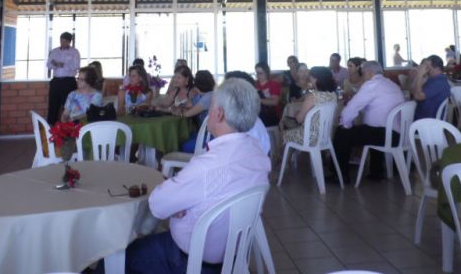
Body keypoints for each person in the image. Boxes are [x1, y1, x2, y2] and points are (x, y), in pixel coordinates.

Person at [125, 78, 271, 274]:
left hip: (190, 261)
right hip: (234, 258)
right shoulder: (259, 154)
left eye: (211, 107)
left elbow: (157, 205)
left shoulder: (207, 166)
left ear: (219, 114)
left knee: (119, 258)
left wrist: (176, 204)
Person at [332, 61, 405, 183]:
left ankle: (339, 175)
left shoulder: (371, 85)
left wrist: (345, 124)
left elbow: (352, 107)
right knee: (371, 127)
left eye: (363, 74)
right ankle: (376, 171)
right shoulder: (391, 84)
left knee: (341, 133)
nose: (362, 77)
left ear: (370, 73)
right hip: (398, 134)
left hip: (385, 135)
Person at [281, 66, 338, 146]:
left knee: (283, 131)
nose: (309, 78)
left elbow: (299, 119)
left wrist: (297, 113)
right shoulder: (333, 95)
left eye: (311, 76)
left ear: (316, 79)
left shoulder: (312, 96)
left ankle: (287, 154)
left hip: (310, 137)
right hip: (326, 136)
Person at [46, 32, 81, 124]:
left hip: (68, 81)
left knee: (69, 106)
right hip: (56, 81)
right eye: (61, 41)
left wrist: (64, 65)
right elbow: (48, 65)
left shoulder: (74, 52)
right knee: (53, 105)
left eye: (65, 41)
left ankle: (72, 128)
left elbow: (76, 66)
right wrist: (55, 64)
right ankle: (51, 127)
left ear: (69, 42)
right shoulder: (54, 51)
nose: (62, 43)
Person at [411, 55, 450, 120]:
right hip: (424, 117)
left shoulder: (438, 82)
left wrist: (419, 74)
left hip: (427, 120)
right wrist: (418, 76)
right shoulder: (433, 79)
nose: (425, 69)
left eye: (427, 66)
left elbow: (417, 96)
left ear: (437, 68)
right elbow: (414, 91)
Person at [254, 62, 282, 126]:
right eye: (257, 73)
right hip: (258, 113)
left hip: (272, 115)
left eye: (260, 73)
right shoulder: (254, 84)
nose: (258, 75)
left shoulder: (273, 84)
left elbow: (275, 102)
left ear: (266, 73)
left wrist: (259, 100)